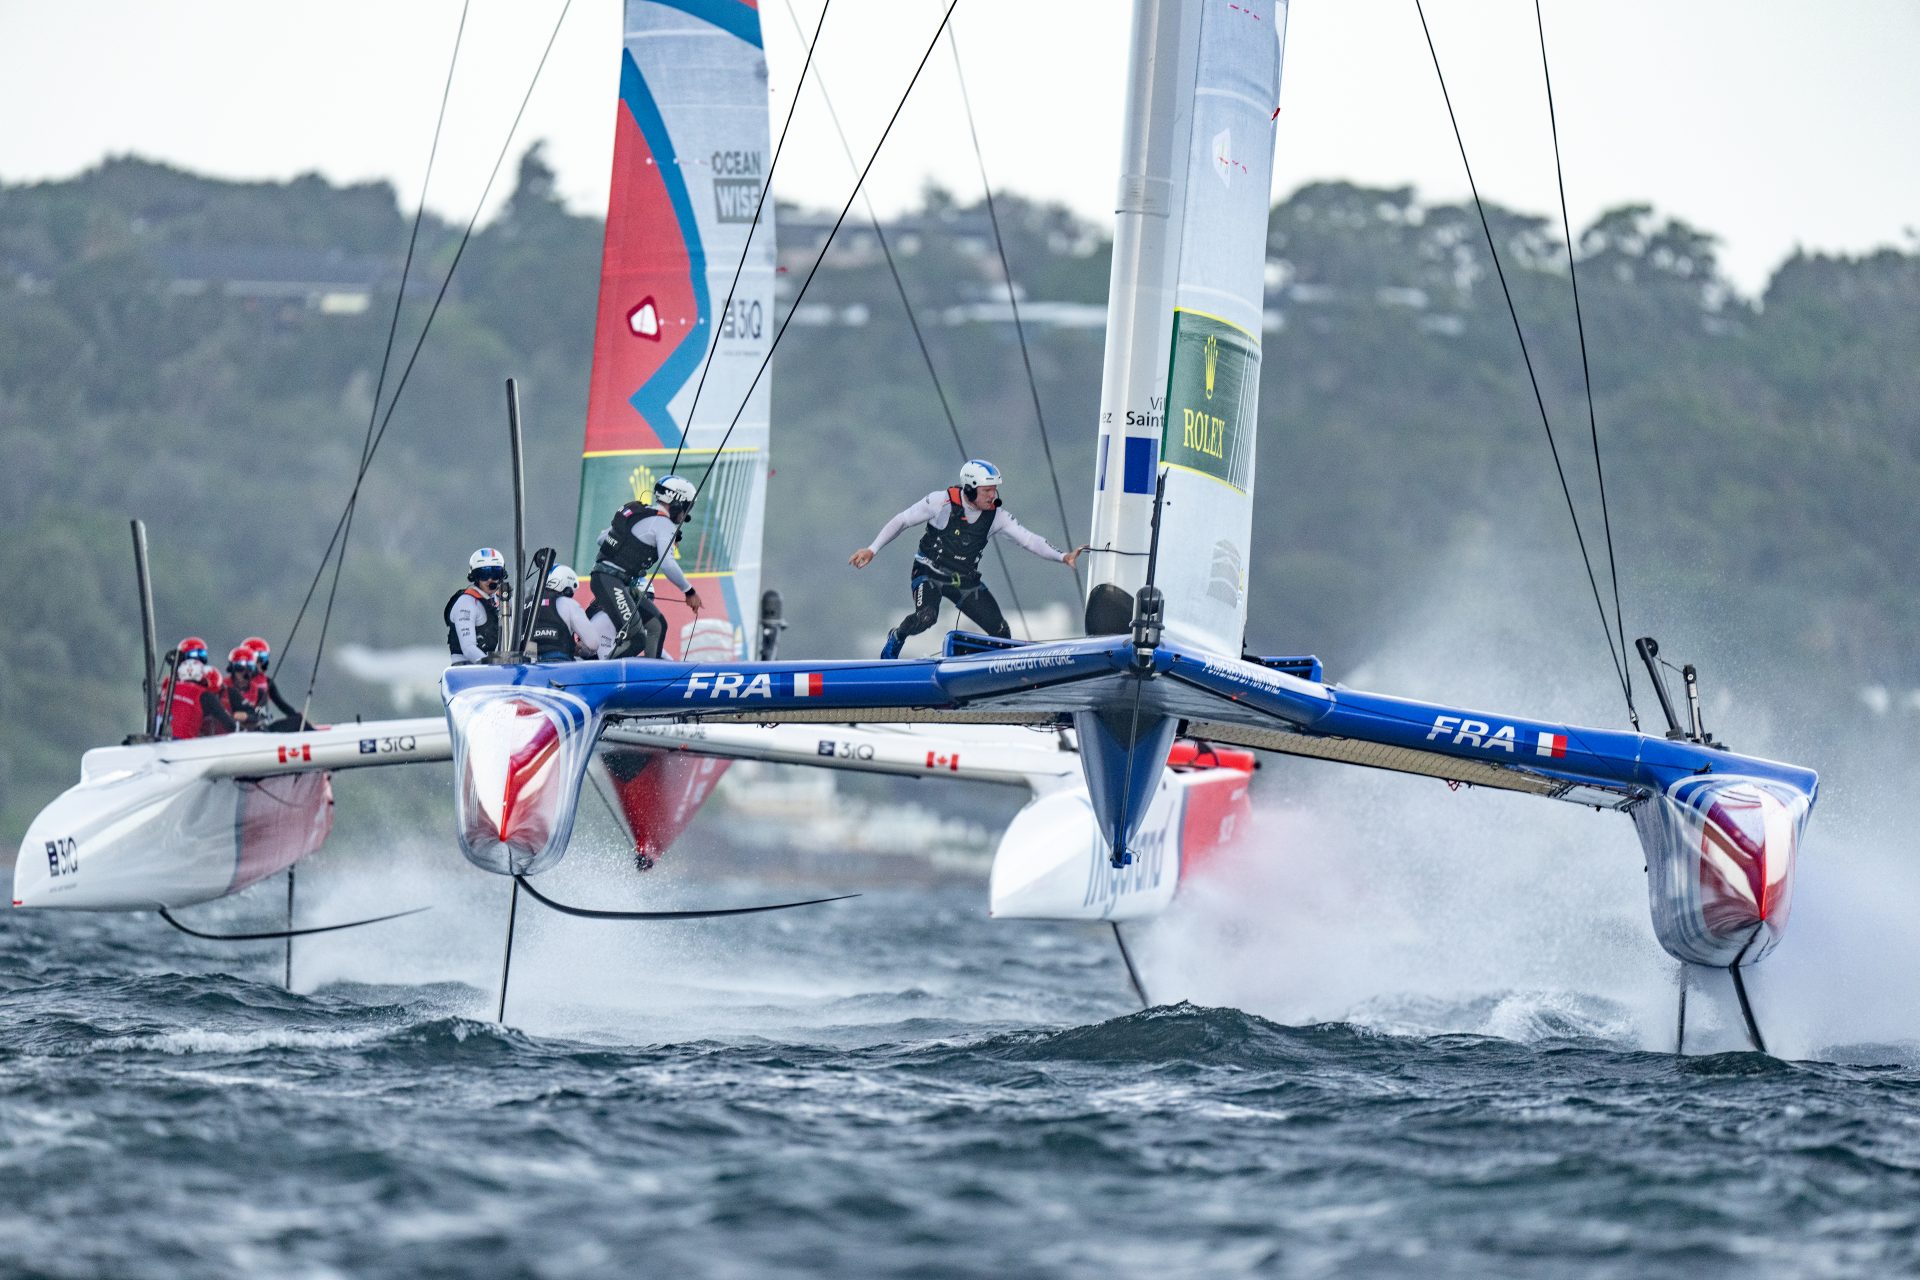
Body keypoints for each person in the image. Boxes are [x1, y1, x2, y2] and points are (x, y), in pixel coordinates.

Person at [850, 459, 1085, 658]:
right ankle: (897, 635)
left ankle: (989, 676)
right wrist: (873, 549)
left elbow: (1028, 539)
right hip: (927, 572)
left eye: (995, 490)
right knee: (927, 617)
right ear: (970, 489)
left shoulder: (997, 517)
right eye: (987, 491)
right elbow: (902, 520)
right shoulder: (940, 502)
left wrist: (1062, 556)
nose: (993, 496)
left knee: (1001, 632)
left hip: (964, 581)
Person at [589, 477, 703, 659]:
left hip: (612, 580)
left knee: (657, 624)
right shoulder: (664, 524)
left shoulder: (640, 512)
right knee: (636, 638)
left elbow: (601, 539)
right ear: (677, 502)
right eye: (687, 507)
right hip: (610, 580)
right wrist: (689, 591)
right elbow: (667, 564)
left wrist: (631, 545)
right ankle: (600, 675)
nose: (685, 516)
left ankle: (651, 673)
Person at [445, 547, 508, 664]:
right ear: (476, 577)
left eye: (495, 573)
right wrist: (493, 667)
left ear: (501, 575)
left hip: (492, 668)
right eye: (484, 574)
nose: (490, 580)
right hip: (466, 670)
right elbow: (468, 648)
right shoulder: (466, 603)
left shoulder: (502, 601)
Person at [528, 564, 597, 662]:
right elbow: (593, 643)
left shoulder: (521, 605)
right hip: (559, 665)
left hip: (527, 667)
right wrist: (578, 649)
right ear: (565, 587)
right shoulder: (567, 603)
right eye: (570, 592)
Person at [240, 636, 306, 729]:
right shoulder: (237, 684)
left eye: (265, 658)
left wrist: (297, 715)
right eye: (260, 658)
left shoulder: (267, 682)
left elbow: (281, 704)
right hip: (246, 731)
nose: (263, 663)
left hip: (264, 729)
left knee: (298, 721)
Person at [219, 646, 262, 731]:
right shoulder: (221, 686)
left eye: (249, 668)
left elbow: (261, 715)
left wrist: (247, 717)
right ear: (232, 669)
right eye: (239, 668)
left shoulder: (259, 692)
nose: (244, 674)